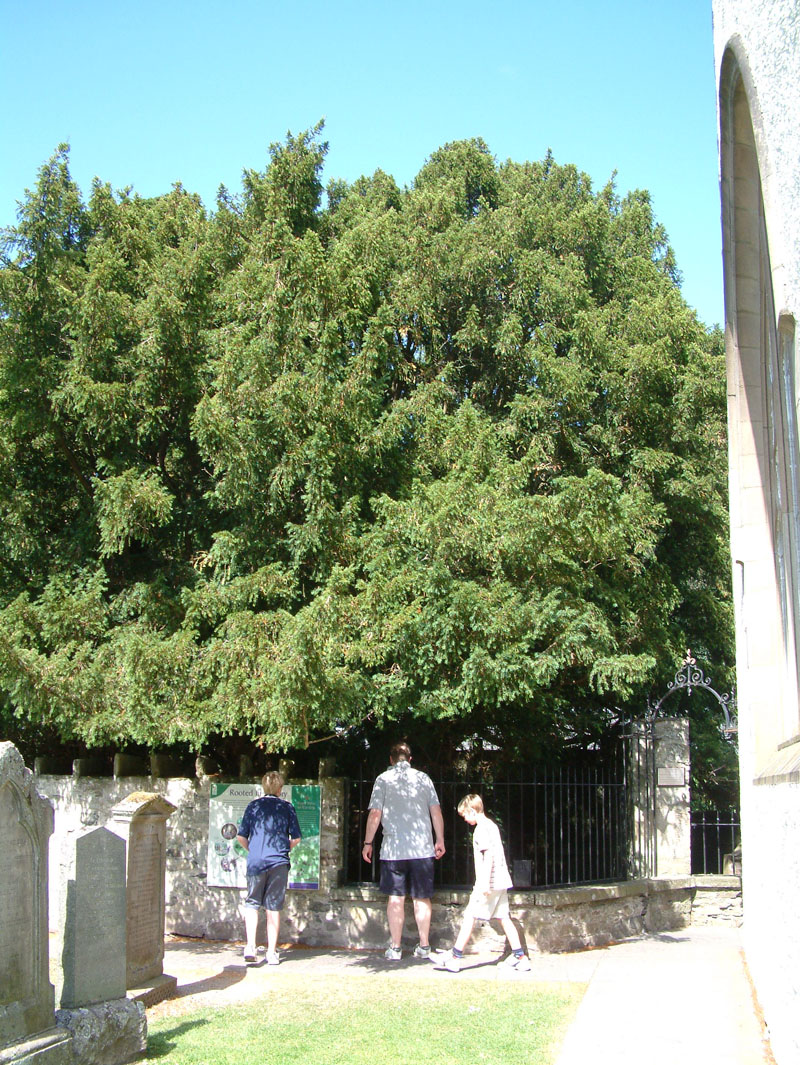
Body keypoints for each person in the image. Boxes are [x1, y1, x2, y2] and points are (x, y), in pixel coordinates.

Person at [362, 742, 445, 960]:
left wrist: (368, 842)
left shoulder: (383, 780)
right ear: (410, 759)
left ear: (391, 760)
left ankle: (396, 947)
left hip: (393, 850)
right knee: (422, 898)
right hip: (422, 849)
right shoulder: (424, 779)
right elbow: (435, 811)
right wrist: (440, 839)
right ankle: (424, 946)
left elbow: (375, 814)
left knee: (395, 899)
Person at [431, 793, 531, 972]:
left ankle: (455, 957)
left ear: (472, 810)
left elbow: (489, 855)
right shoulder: (491, 825)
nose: (464, 819)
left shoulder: (481, 829)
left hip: (489, 882)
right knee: (504, 917)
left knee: (470, 915)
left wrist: (484, 883)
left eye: (465, 815)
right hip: (501, 880)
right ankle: (520, 956)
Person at [236, 770, 301, 966]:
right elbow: (296, 838)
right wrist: (283, 849)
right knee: (273, 907)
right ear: (280, 789)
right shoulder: (287, 807)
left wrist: (254, 850)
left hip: (256, 860)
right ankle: (271, 952)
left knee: (252, 903)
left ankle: (250, 946)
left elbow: (241, 836)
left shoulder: (253, 806)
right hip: (278, 862)